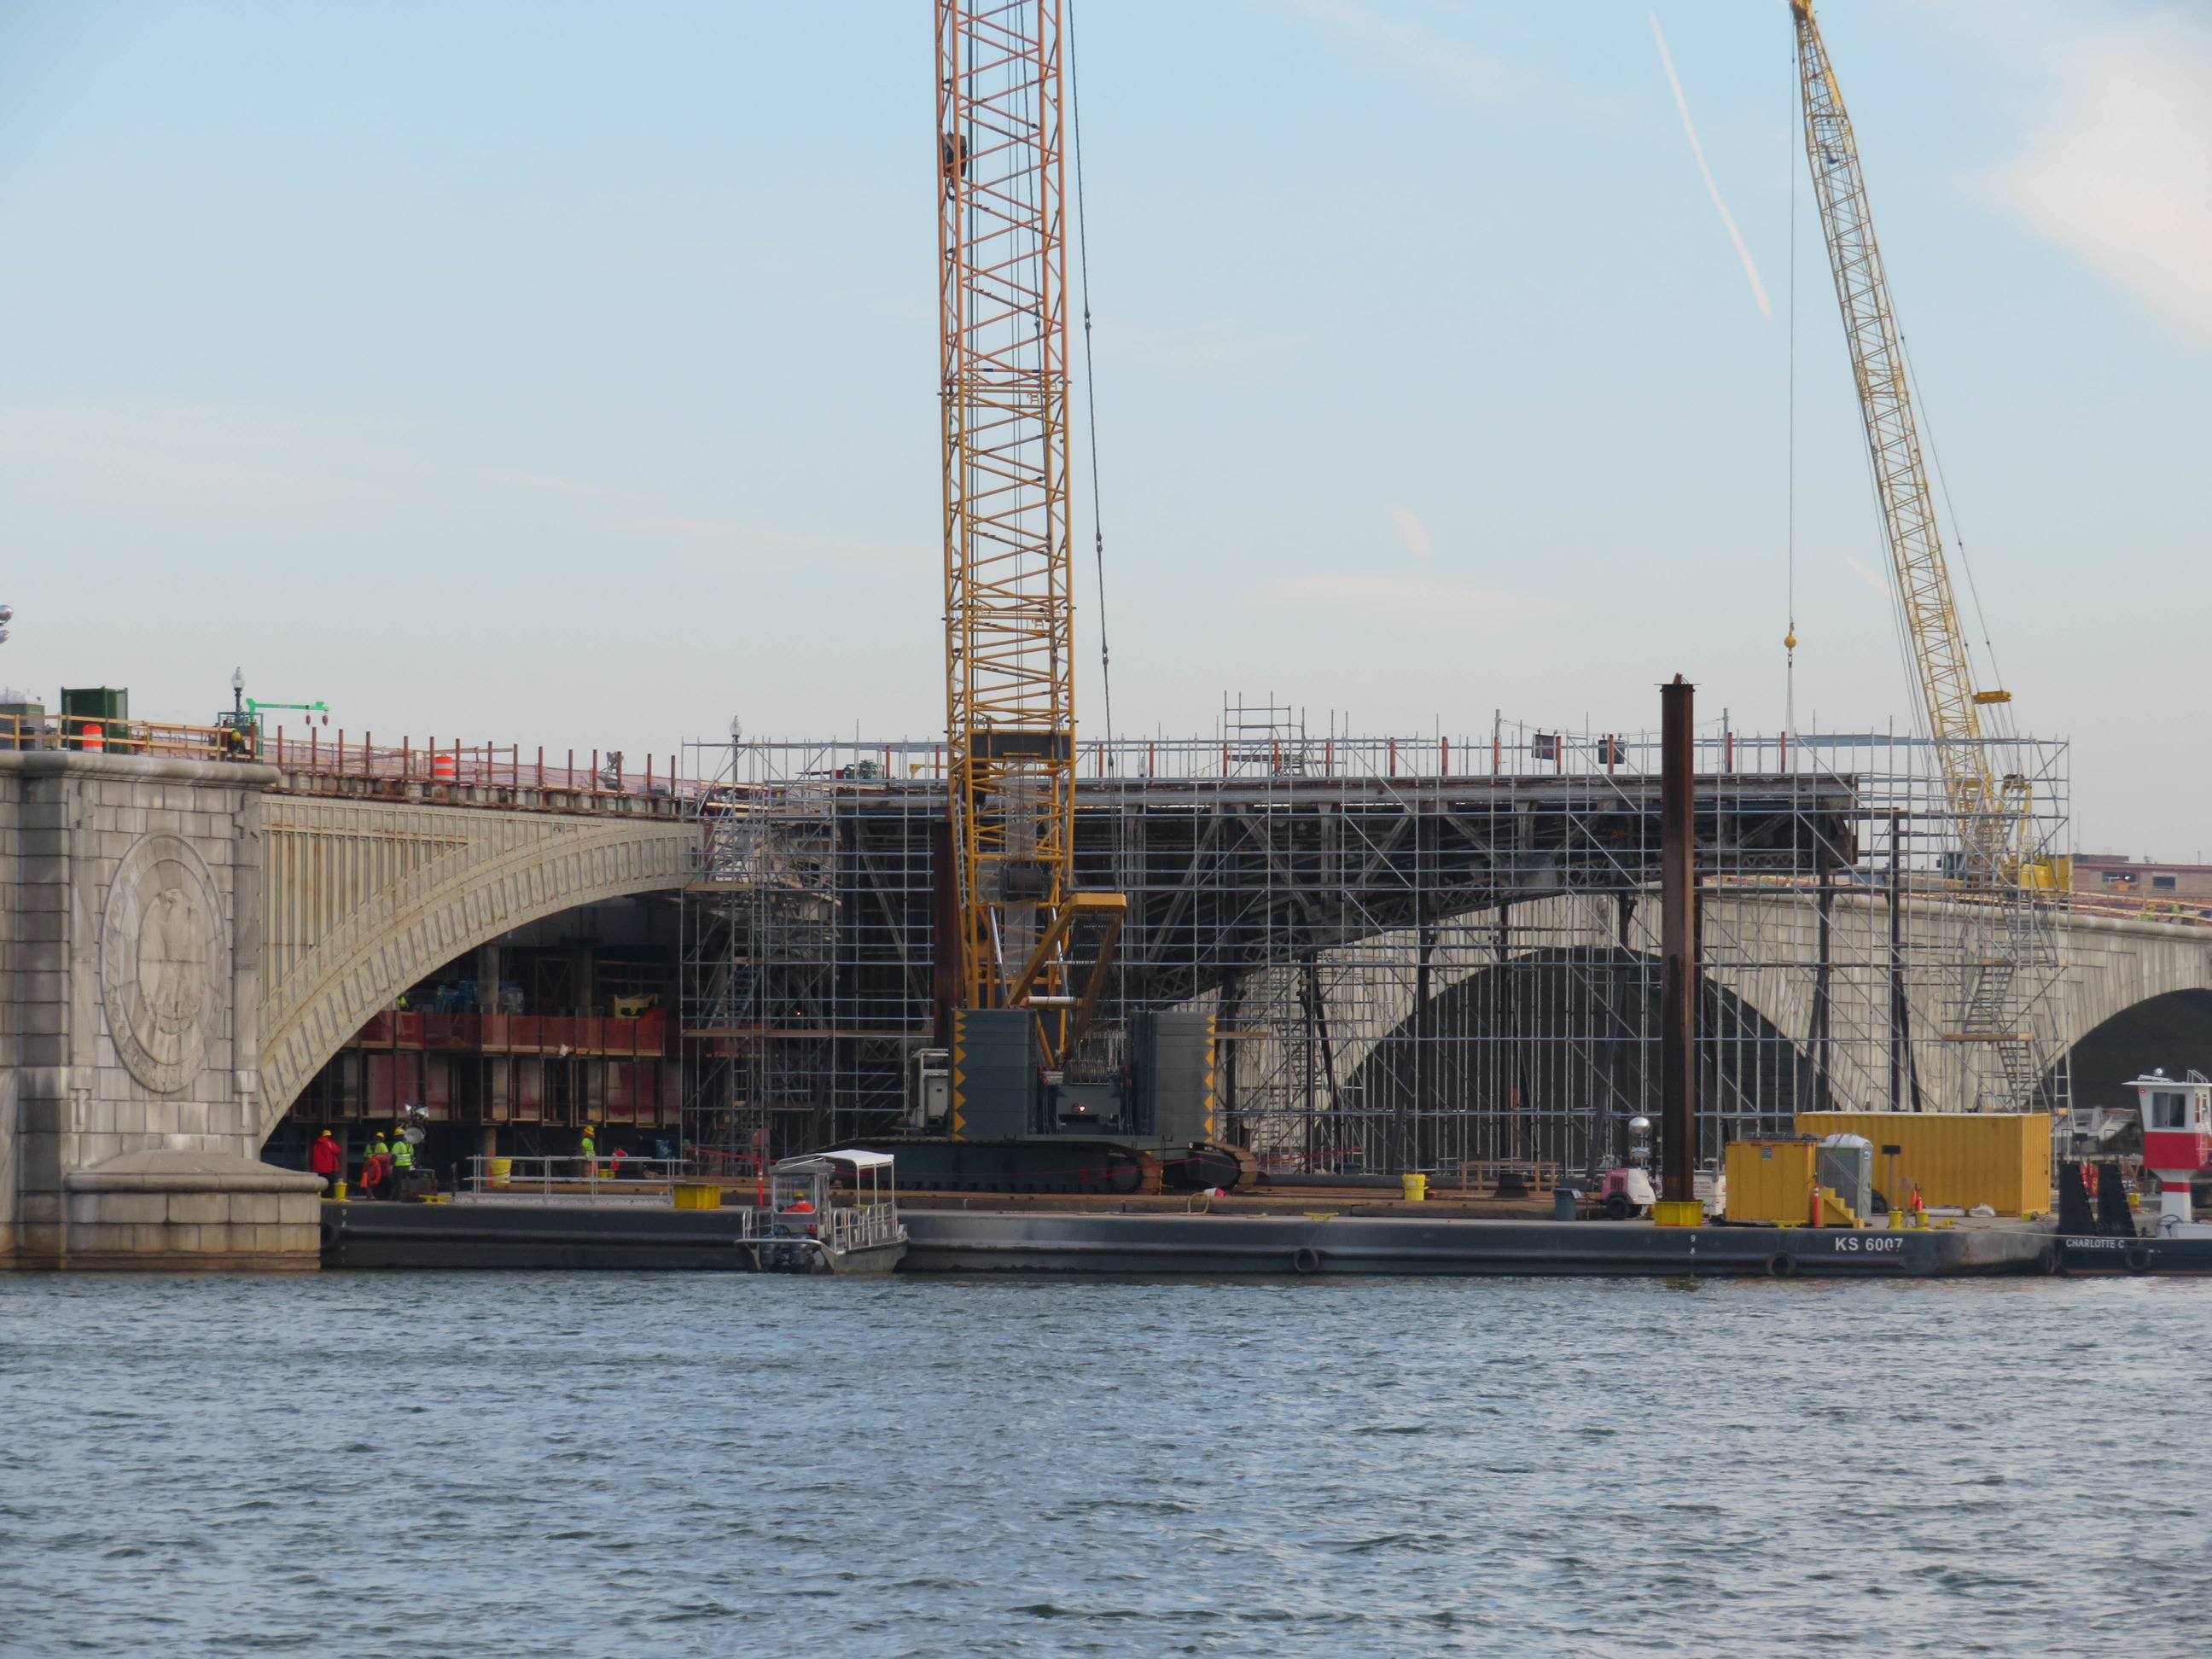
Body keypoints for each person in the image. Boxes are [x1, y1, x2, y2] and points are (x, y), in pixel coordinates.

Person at [309, 1130, 342, 1196]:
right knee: (329, 1182)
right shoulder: (329, 1142)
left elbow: (312, 1156)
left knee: (320, 1182)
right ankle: (328, 1195)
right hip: (328, 1167)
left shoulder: (316, 1144)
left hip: (317, 1167)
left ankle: (320, 1195)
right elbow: (337, 1151)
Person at [364, 1130, 391, 1199]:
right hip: (379, 1166)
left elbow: (365, 1156)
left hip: (370, 1165)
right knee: (380, 1180)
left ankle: (369, 1195)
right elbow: (386, 1156)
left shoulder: (369, 1146)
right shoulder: (382, 1145)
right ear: (382, 1139)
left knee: (369, 1180)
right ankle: (382, 1195)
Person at [390, 1126, 416, 1194]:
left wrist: (391, 1165)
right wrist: (412, 1165)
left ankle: (397, 1197)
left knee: (397, 1182)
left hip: (398, 1167)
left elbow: (394, 1157)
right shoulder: (409, 1144)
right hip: (408, 1166)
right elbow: (412, 1156)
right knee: (407, 1182)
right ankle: (407, 1195)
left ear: (396, 1136)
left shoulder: (397, 1144)